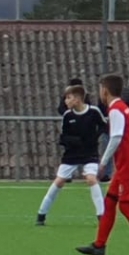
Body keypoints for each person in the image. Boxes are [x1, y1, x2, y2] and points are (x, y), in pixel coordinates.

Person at [77, 74, 129, 255]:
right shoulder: (123, 108)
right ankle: (99, 246)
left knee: (125, 205)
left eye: (100, 89)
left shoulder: (115, 110)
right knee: (110, 201)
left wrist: (103, 163)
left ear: (105, 91)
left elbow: (115, 137)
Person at [37, 84, 106, 226]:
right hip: (71, 155)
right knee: (59, 181)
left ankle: (102, 216)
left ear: (78, 99)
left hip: (90, 154)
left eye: (68, 98)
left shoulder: (94, 112)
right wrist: (73, 141)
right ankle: (41, 214)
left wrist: (93, 138)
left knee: (91, 179)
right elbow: (63, 137)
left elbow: (104, 126)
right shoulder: (68, 116)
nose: (65, 101)